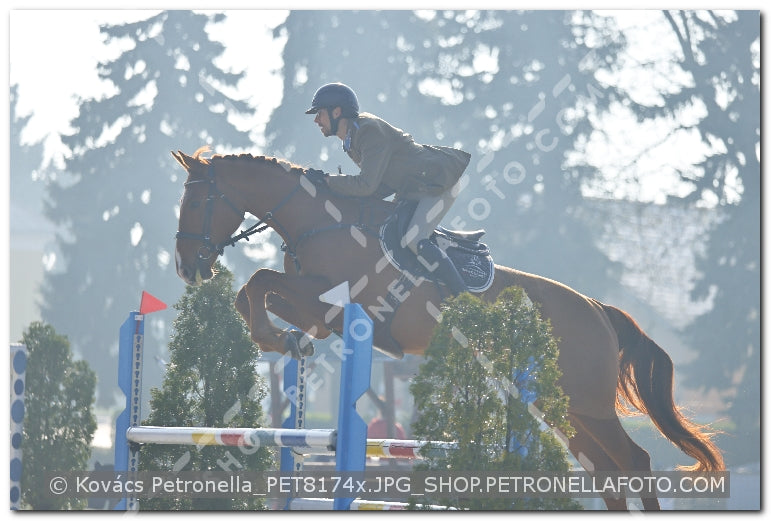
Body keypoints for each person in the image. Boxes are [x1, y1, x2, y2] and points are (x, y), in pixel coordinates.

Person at [305, 82, 471, 295]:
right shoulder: (352, 139)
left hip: (438, 183)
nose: (316, 120)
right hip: (412, 189)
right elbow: (379, 187)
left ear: (337, 111)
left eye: (319, 113)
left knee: (413, 238)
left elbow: (366, 186)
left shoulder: (368, 131)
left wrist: (328, 181)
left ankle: (463, 299)